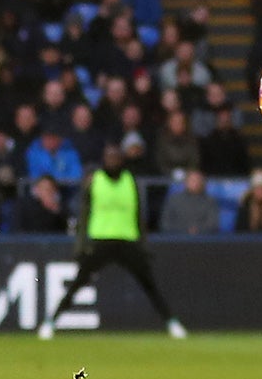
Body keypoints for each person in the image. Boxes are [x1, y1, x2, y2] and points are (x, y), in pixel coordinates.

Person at [56, 143, 184, 338]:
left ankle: (171, 322)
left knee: (149, 284)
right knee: (78, 283)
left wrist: (143, 245)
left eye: (116, 157)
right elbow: (84, 215)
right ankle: (52, 320)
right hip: (101, 240)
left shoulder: (129, 180)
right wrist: (81, 246)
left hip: (127, 240)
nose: (113, 160)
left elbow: (138, 216)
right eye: (109, 157)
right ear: (104, 159)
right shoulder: (95, 181)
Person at [160, 170, 220, 234]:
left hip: (203, 239)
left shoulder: (210, 201)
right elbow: (165, 223)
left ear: (202, 183)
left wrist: (197, 230)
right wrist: (185, 230)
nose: (194, 183)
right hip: (176, 238)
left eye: (197, 180)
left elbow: (213, 224)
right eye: (191, 180)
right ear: (185, 182)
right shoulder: (174, 200)